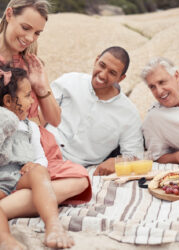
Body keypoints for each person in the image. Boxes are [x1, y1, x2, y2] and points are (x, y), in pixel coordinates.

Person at [0, 0, 91, 221]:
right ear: (9, 14)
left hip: (37, 150)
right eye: (26, 28)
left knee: (80, 180)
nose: (30, 38)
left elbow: (54, 119)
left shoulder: (31, 64)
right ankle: (23, 199)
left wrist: (41, 87)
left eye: (38, 33)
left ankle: (12, 202)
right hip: (6, 151)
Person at [0, 66, 74, 249]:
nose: (32, 101)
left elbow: (41, 157)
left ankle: (53, 225)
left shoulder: (29, 127)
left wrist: (34, 164)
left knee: (41, 172)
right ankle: (6, 239)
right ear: (8, 100)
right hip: (1, 181)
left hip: (20, 177)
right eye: (27, 96)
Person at [46, 46, 144, 176]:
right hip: (42, 147)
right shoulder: (69, 81)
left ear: (121, 78)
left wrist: (116, 161)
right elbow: (40, 112)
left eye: (112, 73)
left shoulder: (129, 114)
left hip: (74, 168)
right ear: (96, 60)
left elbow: (135, 155)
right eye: (102, 65)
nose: (103, 74)